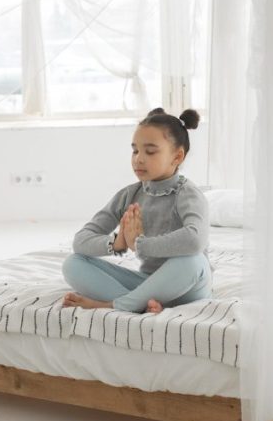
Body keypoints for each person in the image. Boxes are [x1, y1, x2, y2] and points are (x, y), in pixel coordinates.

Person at [62, 108, 210, 314]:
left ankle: (118, 305)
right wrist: (117, 243)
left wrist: (140, 245)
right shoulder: (129, 195)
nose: (139, 159)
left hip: (188, 286)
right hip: (147, 285)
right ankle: (142, 304)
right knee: (73, 264)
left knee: (194, 260)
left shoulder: (188, 194)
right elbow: (81, 241)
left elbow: (195, 241)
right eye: (135, 150)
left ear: (177, 157)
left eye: (150, 151)